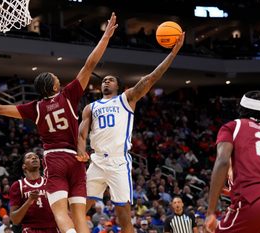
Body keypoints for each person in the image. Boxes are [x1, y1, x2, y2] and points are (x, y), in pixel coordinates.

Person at [0, 12, 118, 233]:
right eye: (56, 78)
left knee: (60, 213)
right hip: (75, 160)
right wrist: (105, 38)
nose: (58, 80)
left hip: (55, 160)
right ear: (54, 87)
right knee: (79, 215)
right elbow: (90, 64)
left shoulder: (35, 108)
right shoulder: (68, 95)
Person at [77, 33, 185, 233]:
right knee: (79, 208)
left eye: (111, 80)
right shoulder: (90, 107)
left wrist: (173, 53)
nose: (106, 82)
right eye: (104, 80)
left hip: (119, 162)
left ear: (118, 86)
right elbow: (82, 134)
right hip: (97, 160)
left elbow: (152, 78)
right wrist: (81, 151)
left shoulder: (127, 99)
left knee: (123, 214)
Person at [204, 90, 260, 233]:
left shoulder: (233, 126)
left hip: (254, 202)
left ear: (241, 109)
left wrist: (210, 212)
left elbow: (222, 162)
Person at [9, 151, 58, 233]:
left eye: (36, 156)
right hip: (30, 229)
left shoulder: (50, 181)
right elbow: (14, 219)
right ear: (24, 166)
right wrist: (29, 201)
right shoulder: (18, 185)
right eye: (29, 157)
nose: (34, 158)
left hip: (53, 227)